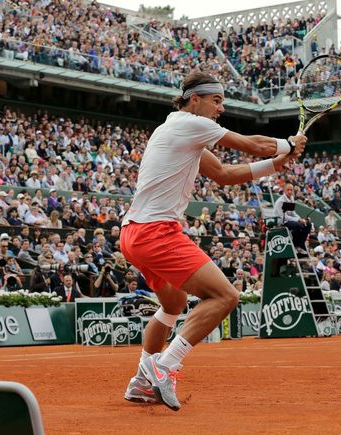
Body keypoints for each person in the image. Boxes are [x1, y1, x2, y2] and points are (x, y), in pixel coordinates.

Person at [119, 71, 305, 411]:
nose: (220, 109)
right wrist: (287, 145)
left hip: (132, 234)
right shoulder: (191, 124)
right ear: (195, 100)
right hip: (156, 232)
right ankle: (164, 366)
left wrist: (275, 165)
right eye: (216, 101)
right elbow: (253, 143)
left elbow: (222, 174)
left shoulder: (174, 129)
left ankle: (142, 381)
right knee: (225, 296)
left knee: (174, 305)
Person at [272, 184, 312, 253]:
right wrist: (298, 220)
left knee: (308, 225)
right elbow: (284, 217)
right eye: (288, 190)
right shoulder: (280, 201)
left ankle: (300, 245)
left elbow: (293, 213)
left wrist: (301, 219)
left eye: (291, 190)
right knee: (298, 226)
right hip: (281, 221)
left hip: (289, 220)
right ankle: (294, 245)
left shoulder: (292, 198)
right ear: (284, 190)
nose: (290, 192)